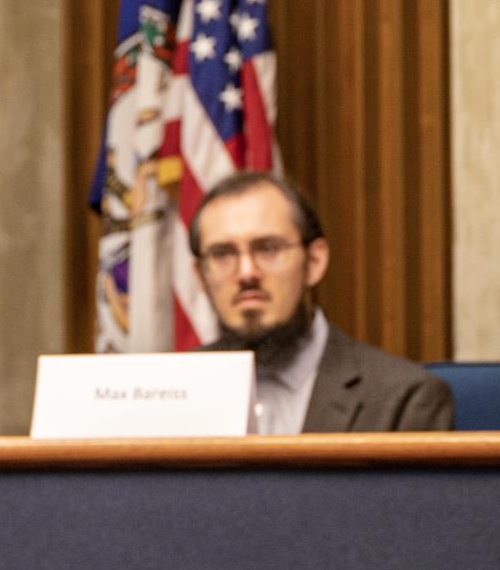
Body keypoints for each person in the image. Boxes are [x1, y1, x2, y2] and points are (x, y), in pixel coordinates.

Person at [190, 171, 452, 433]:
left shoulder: (403, 400)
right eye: (222, 254)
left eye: (268, 248)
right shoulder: (172, 390)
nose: (246, 272)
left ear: (314, 262)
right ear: (201, 276)